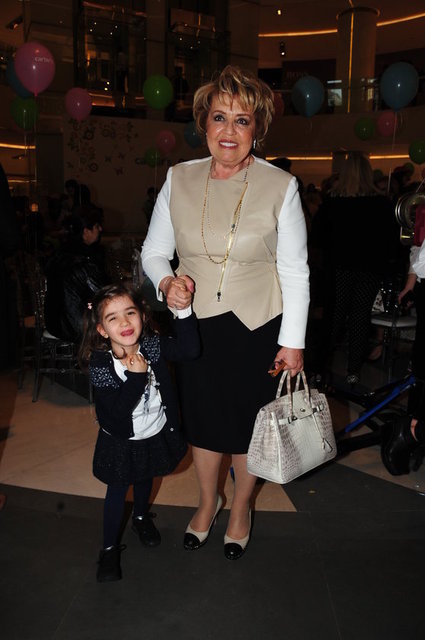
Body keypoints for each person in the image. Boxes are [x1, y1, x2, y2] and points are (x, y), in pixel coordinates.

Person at [142, 65, 310, 560]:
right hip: (195, 327)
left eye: (242, 120)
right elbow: (154, 252)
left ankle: (240, 507)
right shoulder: (179, 178)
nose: (229, 130)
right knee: (202, 422)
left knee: (248, 425)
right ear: (204, 123)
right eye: (220, 117)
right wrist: (166, 282)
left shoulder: (281, 186)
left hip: (258, 326)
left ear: (257, 128)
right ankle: (206, 501)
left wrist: (293, 342)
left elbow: (295, 271)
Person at [79, 282, 200, 581]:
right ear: (102, 330)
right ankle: (109, 549)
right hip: (121, 440)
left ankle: (142, 517)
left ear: (143, 316)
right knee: (118, 490)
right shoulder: (101, 364)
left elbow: (190, 350)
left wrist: (184, 311)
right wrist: (135, 377)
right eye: (113, 318)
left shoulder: (152, 346)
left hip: (154, 432)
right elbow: (116, 412)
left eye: (130, 313)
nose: (124, 322)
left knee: (147, 475)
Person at [311, 152, 401, 385]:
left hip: (338, 269)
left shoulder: (332, 203)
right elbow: (391, 242)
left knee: (334, 319)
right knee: (360, 317)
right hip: (369, 269)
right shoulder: (381, 204)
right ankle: (353, 371)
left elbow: (317, 238)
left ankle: (319, 368)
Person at [44, 205, 109, 342]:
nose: (100, 229)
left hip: (53, 322)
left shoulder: (61, 253)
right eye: (97, 226)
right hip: (75, 326)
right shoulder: (84, 259)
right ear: (86, 231)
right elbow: (103, 293)